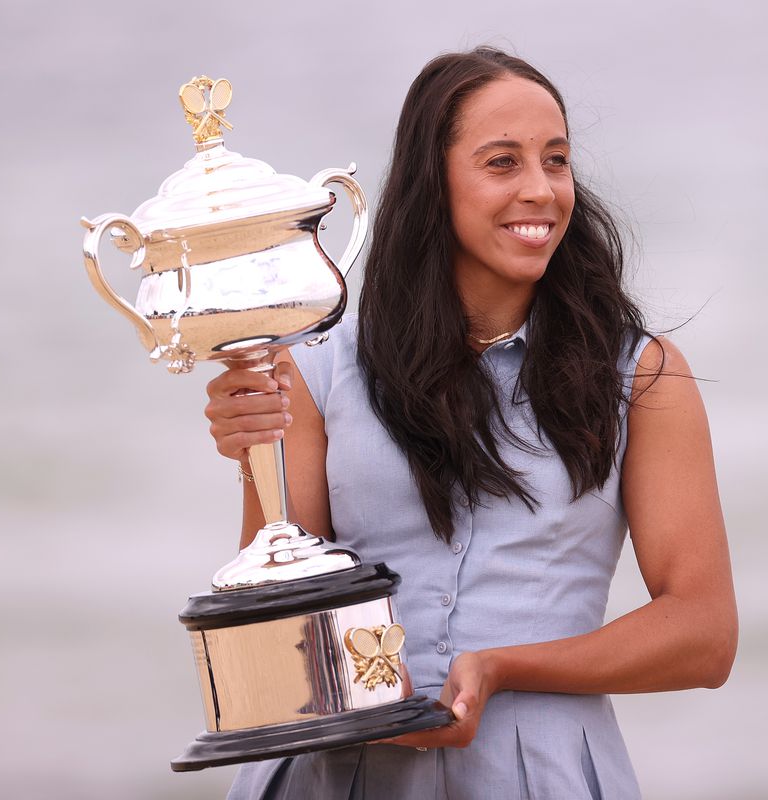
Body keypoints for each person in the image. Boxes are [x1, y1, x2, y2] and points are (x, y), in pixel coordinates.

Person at [203, 47, 737, 800]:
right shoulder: (316, 364)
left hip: (537, 776)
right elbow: (277, 619)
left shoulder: (640, 376)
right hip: (336, 776)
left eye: (556, 161)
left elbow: (704, 637)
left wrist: (502, 668)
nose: (541, 191)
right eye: (501, 162)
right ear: (434, 182)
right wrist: (253, 450)